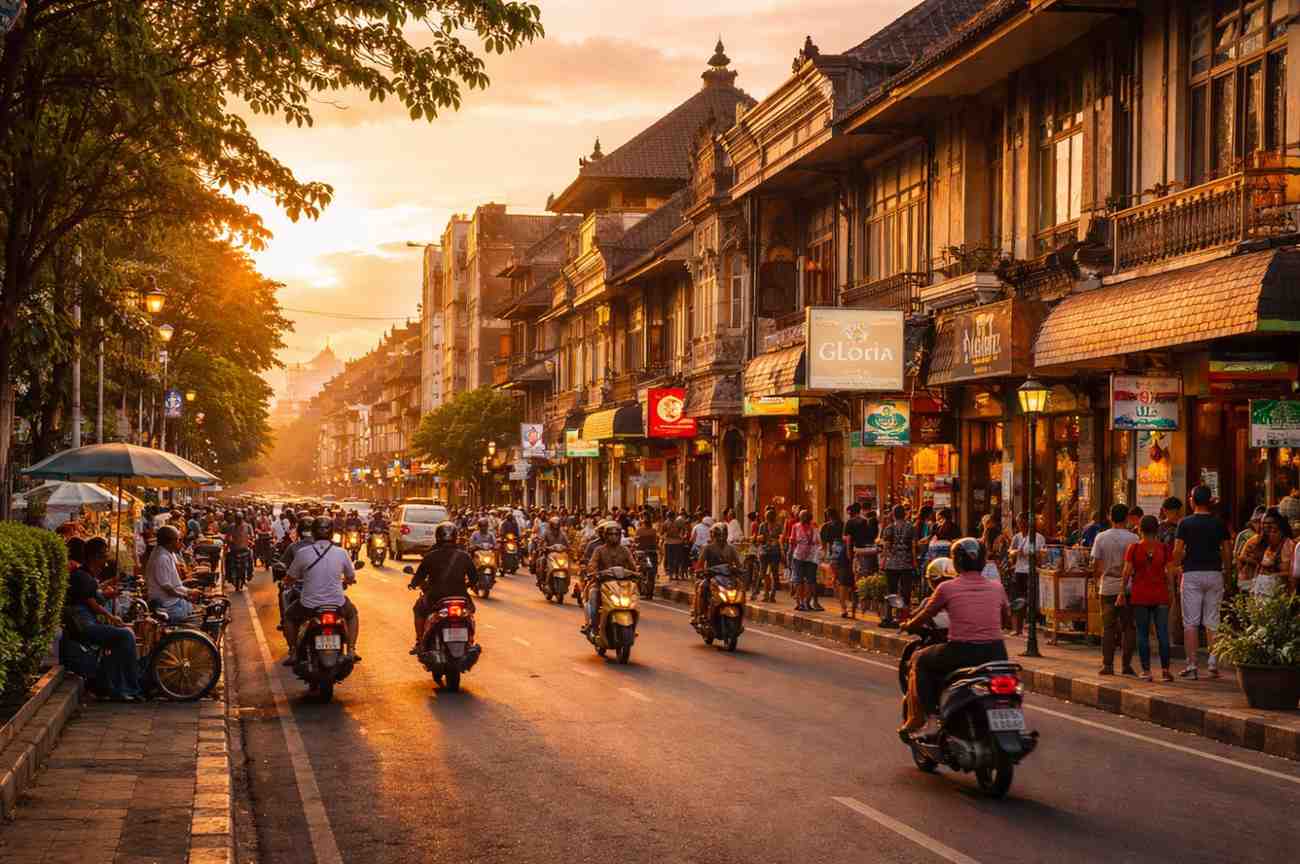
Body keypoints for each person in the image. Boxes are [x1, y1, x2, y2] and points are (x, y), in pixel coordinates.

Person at [899, 537, 1009, 737]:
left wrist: (907, 625)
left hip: (962, 652)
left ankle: (931, 719)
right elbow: (1007, 620)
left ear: (956, 563)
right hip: (997, 652)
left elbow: (924, 615)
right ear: (983, 562)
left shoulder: (947, 588)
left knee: (919, 659)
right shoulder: (997, 587)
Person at [64, 537, 143, 702]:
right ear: (95, 557)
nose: (105, 562)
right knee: (126, 635)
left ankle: (111, 684)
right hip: (84, 626)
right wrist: (112, 618)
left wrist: (111, 590)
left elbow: (95, 594)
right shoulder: (81, 576)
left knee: (123, 637)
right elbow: (92, 603)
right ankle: (128, 687)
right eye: (104, 557)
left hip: (89, 622)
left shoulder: (86, 576)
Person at [1172, 485, 1231, 680]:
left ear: (1192, 500)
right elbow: (1227, 552)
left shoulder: (1185, 523)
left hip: (1192, 574)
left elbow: (1178, 551)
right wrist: (1228, 574)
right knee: (1212, 620)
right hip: (1214, 574)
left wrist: (1176, 565)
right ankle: (1213, 663)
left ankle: (1192, 665)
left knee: (1190, 622)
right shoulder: (1219, 523)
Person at [284, 516, 360, 666]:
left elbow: (290, 578)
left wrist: (288, 582)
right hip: (337, 603)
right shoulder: (342, 552)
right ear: (331, 533)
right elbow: (351, 576)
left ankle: (293, 651)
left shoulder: (303, 552)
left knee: (289, 617)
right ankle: (351, 649)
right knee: (352, 615)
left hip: (309, 605)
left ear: (313, 533)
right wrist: (347, 581)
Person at [408, 522, 478, 653]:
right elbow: (475, 579)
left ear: (437, 537)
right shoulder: (464, 556)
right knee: (470, 612)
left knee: (418, 609)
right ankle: (471, 641)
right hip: (460, 596)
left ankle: (419, 641)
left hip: (435, 597)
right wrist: (468, 585)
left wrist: (413, 584)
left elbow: (419, 576)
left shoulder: (430, 556)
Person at [1121, 515, 1173, 682]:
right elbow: (1170, 574)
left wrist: (1122, 592)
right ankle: (1165, 671)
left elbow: (1126, 573)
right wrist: (1171, 592)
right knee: (1163, 634)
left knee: (1142, 634)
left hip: (1140, 595)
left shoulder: (1134, 548)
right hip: (1160, 595)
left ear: (1140, 529)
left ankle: (1146, 670)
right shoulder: (1164, 549)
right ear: (1157, 529)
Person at [1092, 503, 1139, 676]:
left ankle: (1108, 665)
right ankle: (1126, 665)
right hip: (1128, 586)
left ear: (1110, 517)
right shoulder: (1133, 538)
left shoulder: (1101, 538)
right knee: (1129, 627)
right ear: (1126, 518)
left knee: (1108, 627)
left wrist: (1098, 580)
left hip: (1108, 586)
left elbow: (1096, 565)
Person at [583, 521, 636, 634]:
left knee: (634, 599)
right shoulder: (599, 550)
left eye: (616, 534)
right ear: (606, 536)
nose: (613, 537)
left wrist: (637, 573)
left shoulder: (625, 550)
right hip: (601, 583)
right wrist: (594, 572)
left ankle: (632, 625)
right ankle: (593, 625)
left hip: (621, 585)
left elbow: (633, 565)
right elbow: (592, 564)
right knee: (593, 597)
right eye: (611, 534)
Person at [146, 526, 201, 623]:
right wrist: (185, 595)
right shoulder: (161, 558)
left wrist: (189, 591)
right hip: (167, 605)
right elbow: (167, 588)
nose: (182, 544)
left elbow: (175, 584)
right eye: (179, 540)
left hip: (174, 601)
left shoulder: (168, 553)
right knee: (196, 620)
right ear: (170, 541)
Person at [1238, 507, 1294, 595]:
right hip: (1260, 589)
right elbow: (1242, 558)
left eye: (1272, 527)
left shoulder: (1287, 544)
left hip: (1278, 593)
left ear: (1280, 527)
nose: (1267, 528)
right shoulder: (1261, 541)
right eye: (1264, 524)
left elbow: (1290, 573)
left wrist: (1271, 573)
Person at [693, 523, 741, 623]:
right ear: (713, 535)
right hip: (712, 577)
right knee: (703, 586)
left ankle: (740, 616)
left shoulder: (731, 548)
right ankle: (701, 614)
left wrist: (739, 570)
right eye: (718, 535)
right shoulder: (708, 548)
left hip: (728, 578)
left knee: (740, 588)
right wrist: (700, 571)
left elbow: (738, 564)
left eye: (722, 535)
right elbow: (700, 564)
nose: (720, 538)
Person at [879, 505, 916, 628]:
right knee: (905, 591)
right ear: (904, 514)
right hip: (907, 563)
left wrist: (883, 561)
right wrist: (914, 562)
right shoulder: (911, 527)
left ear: (893, 515)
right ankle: (902, 617)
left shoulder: (889, 528)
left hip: (892, 564)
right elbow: (913, 546)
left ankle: (888, 617)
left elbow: (886, 547)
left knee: (892, 591)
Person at [1008, 513, 1044, 637]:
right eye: (1019, 523)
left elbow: (1041, 554)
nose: (1021, 525)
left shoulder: (1038, 537)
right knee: (1019, 599)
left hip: (1031, 571)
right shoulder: (1017, 537)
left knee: (1031, 599)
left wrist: (1028, 553)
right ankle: (1018, 628)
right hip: (1019, 571)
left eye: (1023, 523)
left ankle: (1031, 627)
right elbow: (1010, 551)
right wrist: (1015, 552)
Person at [822, 506, 852, 618]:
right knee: (843, 581)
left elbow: (824, 545)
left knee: (836, 580)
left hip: (833, 556)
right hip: (844, 556)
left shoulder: (825, 527)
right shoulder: (844, 524)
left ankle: (842, 605)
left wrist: (825, 558)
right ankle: (844, 605)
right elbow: (848, 539)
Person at [790, 509, 822, 612]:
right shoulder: (798, 526)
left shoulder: (811, 527)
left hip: (806, 557)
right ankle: (802, 602)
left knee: (806, 580)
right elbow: (793, 541)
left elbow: (792, 541)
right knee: (804, 580)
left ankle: (804, 602)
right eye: (802, 516)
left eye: (804, 516)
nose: (803, 518)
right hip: (804, 557)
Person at [756, 507, 783, 603]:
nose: (768, 518)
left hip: (775, 552)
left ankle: (773, 594)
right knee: (764, 573)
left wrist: (777, 541)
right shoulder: (762, 526)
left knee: (774, 573)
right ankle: (766, 593)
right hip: (764, 552)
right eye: (767, 516)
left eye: (770, 516)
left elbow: (781, 538)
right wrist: (761, 538)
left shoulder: (778, 526)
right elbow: (759, 538)